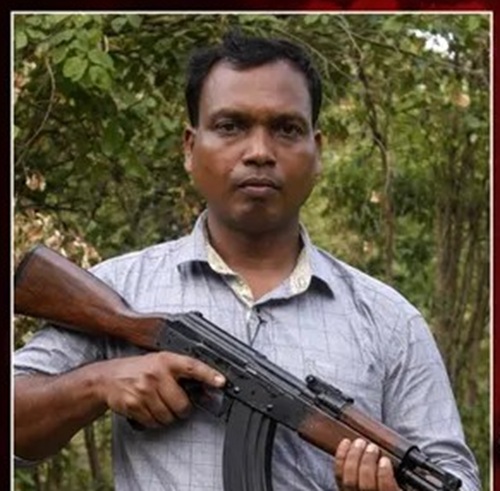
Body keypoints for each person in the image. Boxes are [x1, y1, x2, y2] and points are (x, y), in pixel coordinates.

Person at [14, 31, 480, 491]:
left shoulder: (390, 322)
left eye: (286, 129)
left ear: (317, 152)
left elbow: (453, 476)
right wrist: (98, 384)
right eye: (230, 126)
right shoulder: (121, 289)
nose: (259, 152)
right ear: (189, 148)